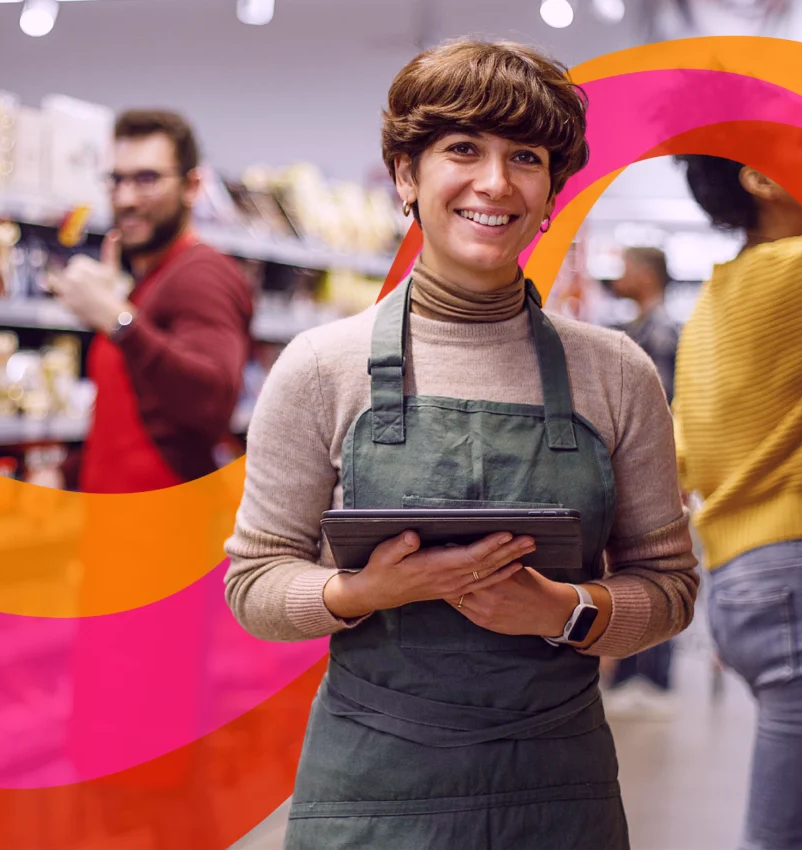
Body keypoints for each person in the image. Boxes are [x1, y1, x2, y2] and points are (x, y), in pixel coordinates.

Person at [224, 39, 699, 849]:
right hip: (372, 790)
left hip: (558, 789)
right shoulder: (320, 368)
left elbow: (671, 588)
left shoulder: (614, 372)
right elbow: (255, 583)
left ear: (551, 192)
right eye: (462, 149)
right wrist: (363, 593)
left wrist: (563, 610)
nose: (494, 182)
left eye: (526, 156)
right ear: (407, 177)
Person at [672, 152, 802, 850]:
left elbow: (683, 448)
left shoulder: (717, 297)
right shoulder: (795, 272)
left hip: (745, 577)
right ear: (761, 178)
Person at [49, 109, 254, 493]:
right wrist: (65, 473)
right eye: (116, 180)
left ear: (192, 186)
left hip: (171, 535)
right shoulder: (149, 281)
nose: (125, 198)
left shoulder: (202, 274)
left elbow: (212, 399)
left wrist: (116, 318)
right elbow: (127, 419)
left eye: (147, 180)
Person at [604, 246, 681, 718]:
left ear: (648, 275)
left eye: (628, 268)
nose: (619, 276)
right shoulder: (634, 330)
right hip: (631, 465)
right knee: (629, 564)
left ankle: (650, 676)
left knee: (654, 560)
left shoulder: (662, 332)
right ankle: (632, 670)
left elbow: (665, 413)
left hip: (654, 468)